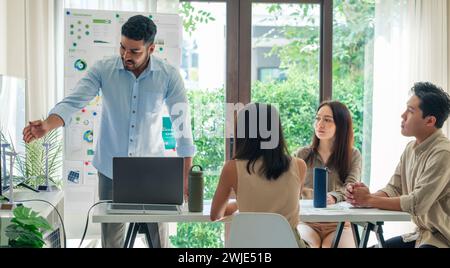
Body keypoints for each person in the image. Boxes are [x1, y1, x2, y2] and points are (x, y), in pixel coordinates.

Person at [22, 15, 196, 248]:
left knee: (159, 242)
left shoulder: (168, 76)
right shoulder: (104, 70)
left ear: (151, 48)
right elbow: (73, 102)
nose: (126, 55)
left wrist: (185, 176)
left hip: (152, 171)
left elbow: (182, 127)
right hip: (110, 169)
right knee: (112, 242)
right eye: (123, 47)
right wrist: (46, 125)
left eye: (134, 51)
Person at [346, 82, 450, 248]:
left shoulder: (443, 153)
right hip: (421, 236)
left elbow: (417, 203)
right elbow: (394, 188)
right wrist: (362, 197)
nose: (403, 115)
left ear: (430, 121)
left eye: (410, 111)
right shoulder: (411, 148)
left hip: (442, 239)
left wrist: (369, 200)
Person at [210, 103, 309, 248]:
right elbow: (289, 202)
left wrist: (241, 202)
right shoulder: (299, 166)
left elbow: (215, 215)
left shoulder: (232, 168)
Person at [296, 101, 361, 248]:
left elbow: (351, 186)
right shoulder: (302, 154)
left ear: (341, 125)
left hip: (339, 223)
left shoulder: (353, 154)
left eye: (327, 120)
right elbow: (291, 188)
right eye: (318, 118)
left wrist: (333, 196)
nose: (320, 124)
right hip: (307, 221)